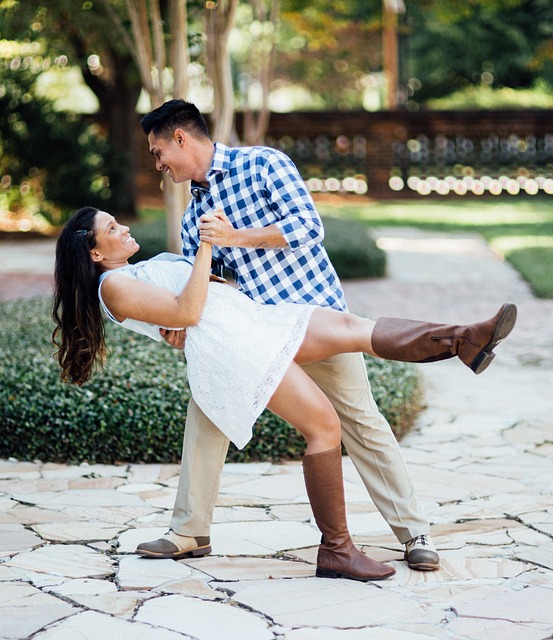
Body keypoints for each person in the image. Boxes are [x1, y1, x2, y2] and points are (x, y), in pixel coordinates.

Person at [136, 99, 512, 573]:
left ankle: (414, 531)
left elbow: (307, 227)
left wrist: (235, 236)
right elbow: (210, 286)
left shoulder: (263, 164)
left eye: (157, 152)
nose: (157, 164)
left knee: (362, 422)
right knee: (207, 407)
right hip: (253, 338)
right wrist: (182, 324)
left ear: (180, 138)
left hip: (315, 319)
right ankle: (190, 531)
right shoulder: (193, 216)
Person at [53, 206, 516, 581]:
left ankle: (464, 340)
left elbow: (194, 303)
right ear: (95, 253)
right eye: (112, 228)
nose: (125, 226)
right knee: (324, 427)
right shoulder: (112, 285)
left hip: (255, 321)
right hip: (236, 347)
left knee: (355, 328)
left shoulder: (141, 270)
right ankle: (336, 550)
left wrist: (184, 306)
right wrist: (205, 250)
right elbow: (189, 311)